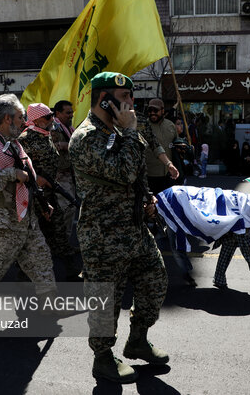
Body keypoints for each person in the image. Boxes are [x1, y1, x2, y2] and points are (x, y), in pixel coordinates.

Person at [69, 72, 169, 383]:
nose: (131, 103)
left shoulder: (122, 129)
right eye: (124, 97)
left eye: (130, 96)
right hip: (103, 234)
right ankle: (102, 357)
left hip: (134, 228)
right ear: (104, 99)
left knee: (156, 279)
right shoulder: (86, 137)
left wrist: (148, 198)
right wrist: (129, 132)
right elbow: (123, 172)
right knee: (105, 301)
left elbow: (137, 175)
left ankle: (138, 340)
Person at [0, 94, 59, 318]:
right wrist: (11, 174)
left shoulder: (14, 144)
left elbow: (29, 179)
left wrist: (42, 203)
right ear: (8, 119)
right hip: (3, 225)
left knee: (43, 265)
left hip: (27, 219)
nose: (25, 121)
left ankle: (49, 310)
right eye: (21, 117)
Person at [18, 103, 80, 281]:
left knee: (58, 231)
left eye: (52, 116)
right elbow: (18, 167)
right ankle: (23, 275)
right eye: (47, 117)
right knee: (35, 238)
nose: (52, 119)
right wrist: (36, 179)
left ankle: (71, 272)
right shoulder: (25, 139)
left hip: (49, 194)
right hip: (33, 197)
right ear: (36, 119)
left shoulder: (46, 136)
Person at [51, 100, 77, 242]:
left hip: (69, 174)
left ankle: (62, 241)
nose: (71, 115)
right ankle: (62, 242)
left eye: (72, 112)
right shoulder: (54, 128)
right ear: (58, 113)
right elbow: (49, 147)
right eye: (68, 113)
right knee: (67, 208)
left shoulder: (67, 128)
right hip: (59, 175)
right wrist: (65, 145)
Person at [144, 98, 179, 195]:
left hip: (168, 175)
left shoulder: (170, 125)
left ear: (162, 110)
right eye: (150, 110)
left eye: (155, 110)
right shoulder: (144, 127)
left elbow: (176, 145)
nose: (152, 113)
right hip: (148, 175)